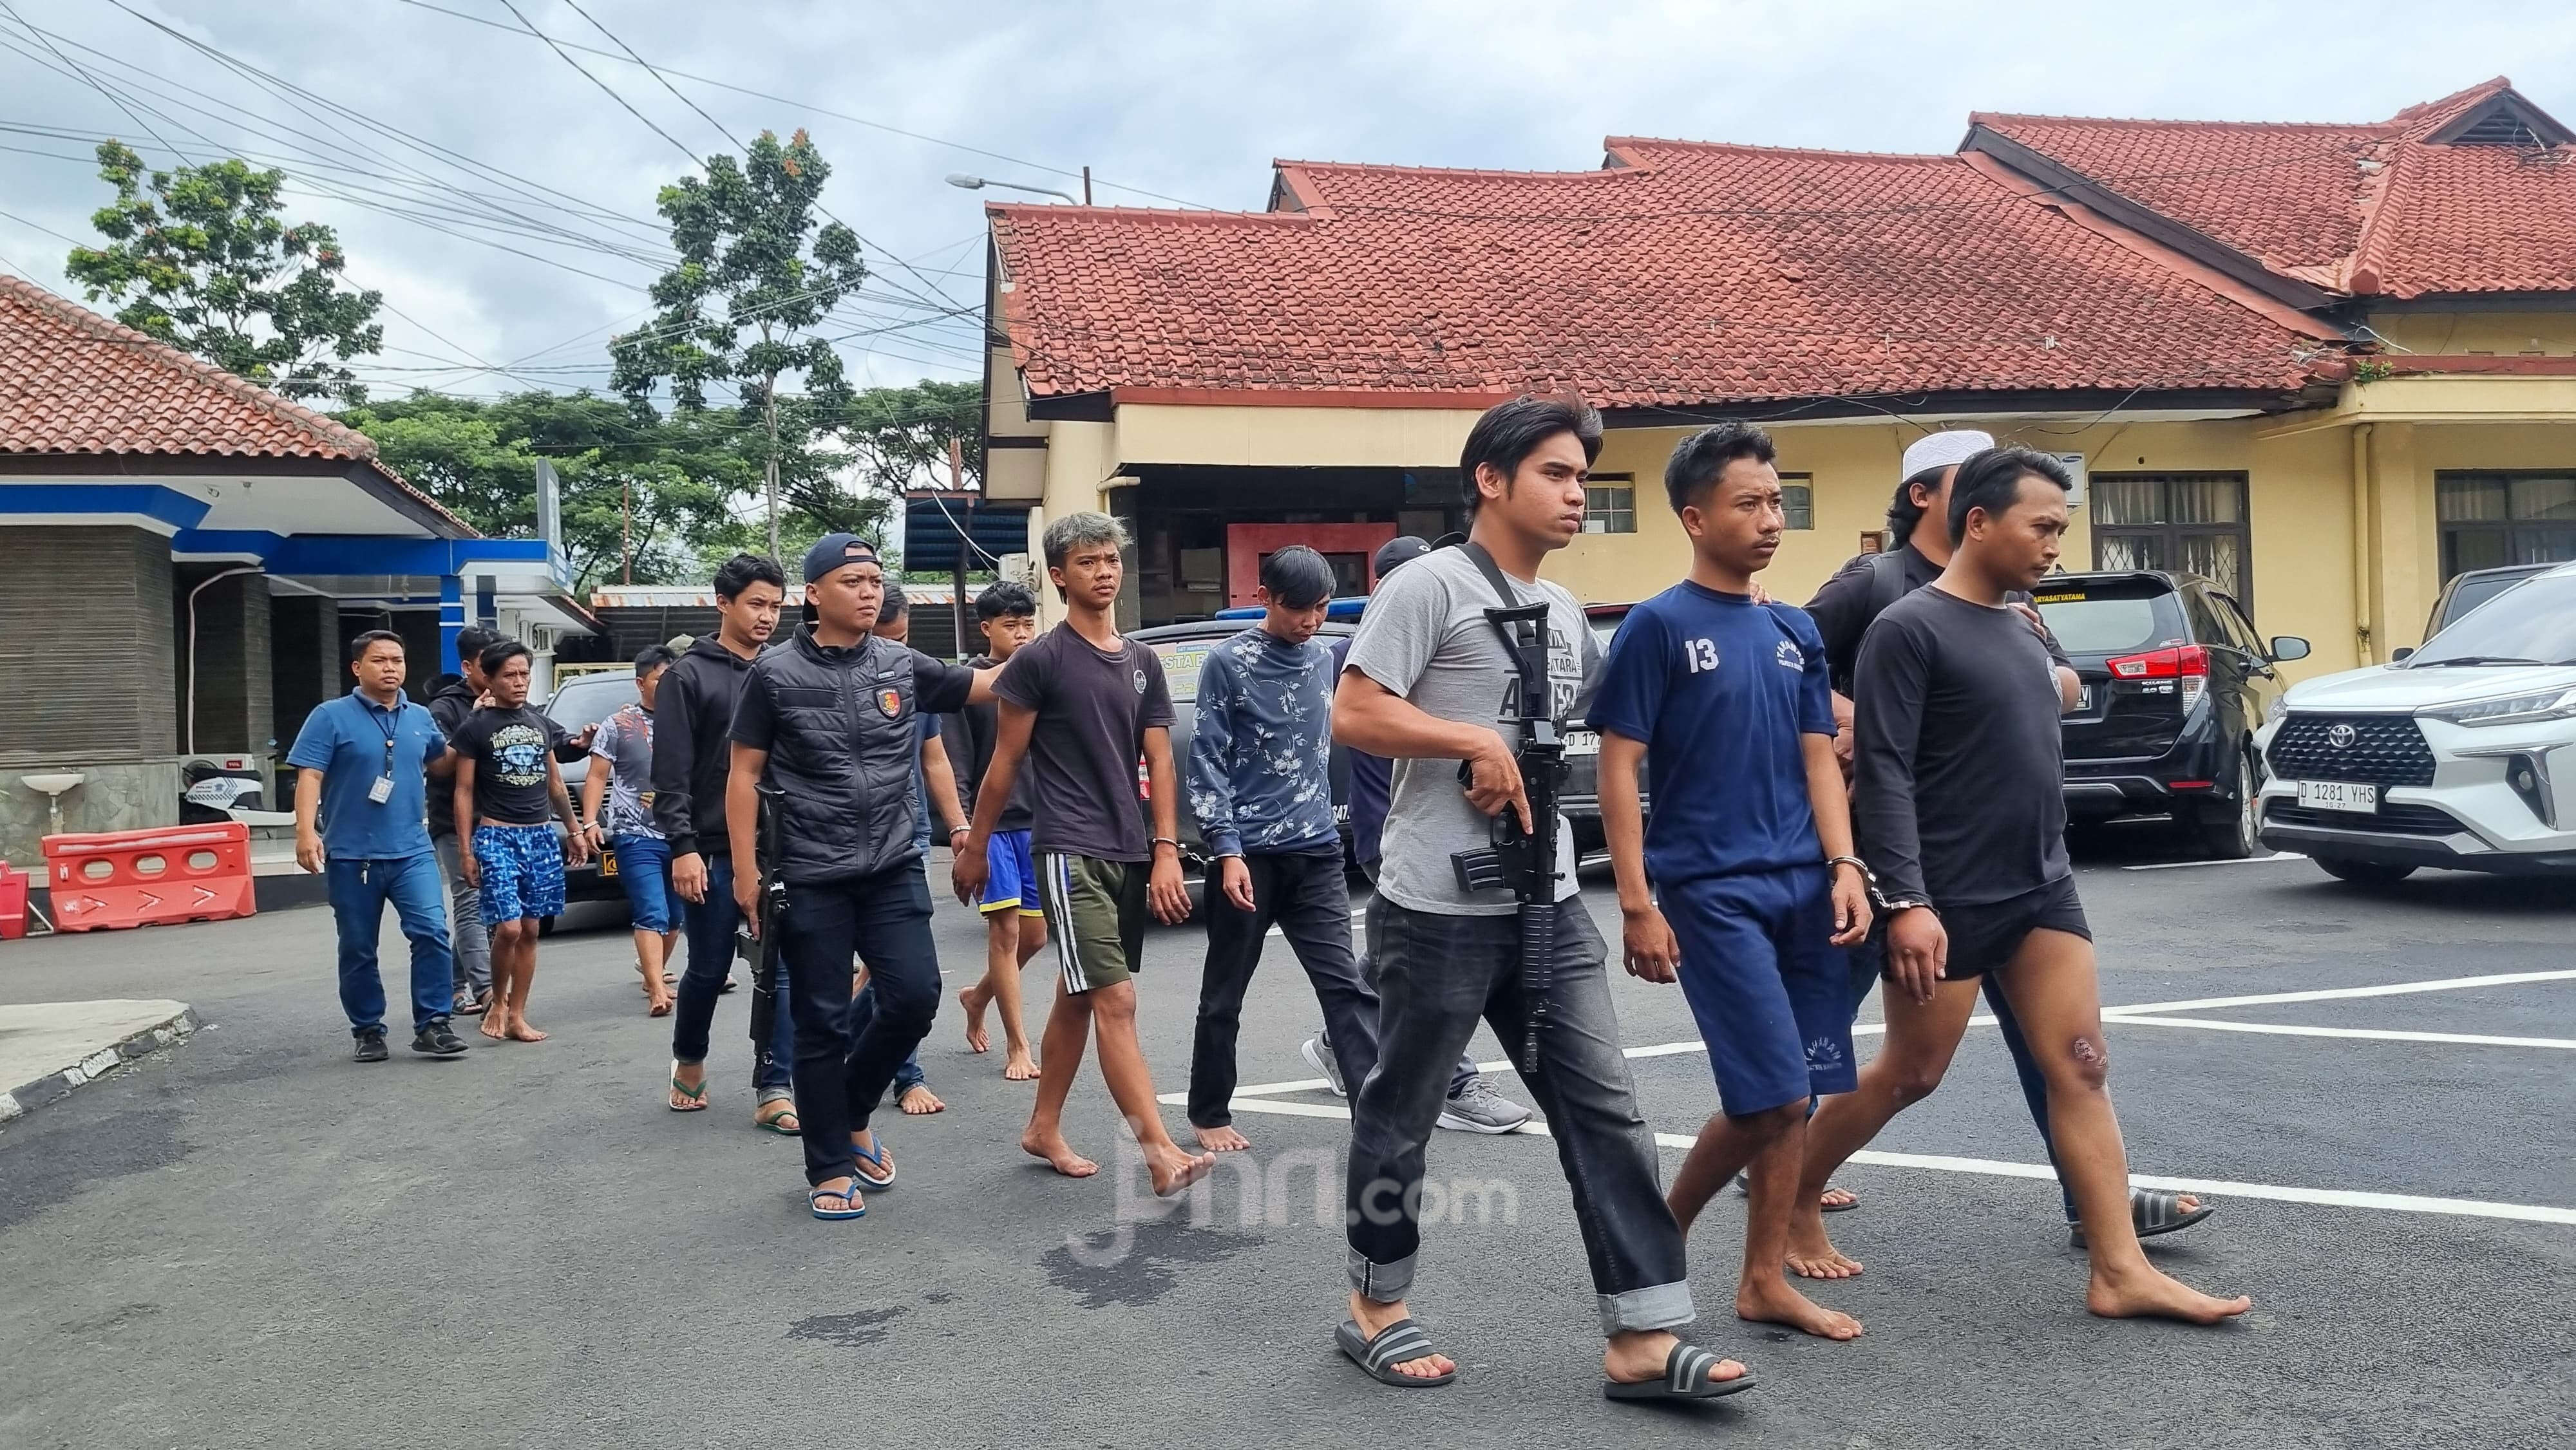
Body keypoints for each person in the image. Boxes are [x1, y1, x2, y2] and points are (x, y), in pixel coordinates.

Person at [1331, 396, 1748, 1399]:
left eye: (1582, 478)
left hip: (1550, 903)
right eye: (1558, 474)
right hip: (1435, 907)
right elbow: (1355, 711)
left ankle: (1644, 1336)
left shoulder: (1564, 611)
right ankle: (1375, 1304)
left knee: (1606, 1110)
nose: (1577, 494)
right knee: (1403, 1111)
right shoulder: (1430, 586)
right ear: (1491, 478)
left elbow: (1605, 727)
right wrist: (1468, 739)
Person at [1799, 446, 2252, 1324]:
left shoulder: (2022, 622)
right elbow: (1884, 774)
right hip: (1950, 891)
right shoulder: (1909, 626)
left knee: (2081, 1065)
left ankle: (2119, 1270)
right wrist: (1909, 902)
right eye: (2042, 526)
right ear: (1979, 521)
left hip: (2042, 883)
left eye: (2061, 528)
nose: (2055, 544)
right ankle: (1792, 1197)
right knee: (1911, 1073)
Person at [1591, 424, 1873, 1345]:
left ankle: (1760, 1280)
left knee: (1796, 1090)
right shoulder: (1657, 626)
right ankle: (1660, 1237)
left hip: (1806, 885)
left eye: (1777, 502)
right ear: (1695, 516)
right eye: (1748, 504)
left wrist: (1844, 865)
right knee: (1770, 1093)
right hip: (1712, 892)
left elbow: (1820, 758)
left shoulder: (1793, 628)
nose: (1769, 520)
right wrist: (1638, 902)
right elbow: (1619, 768)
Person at [729, 534, 1002, 1220]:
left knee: (914, 996)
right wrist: (742, 871)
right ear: (815, 593)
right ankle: (827, 1162)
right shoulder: (773, 674)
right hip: (811, 871)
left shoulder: (902, 663)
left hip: (891, 864)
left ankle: (848, 1111)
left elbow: (987, 683)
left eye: (875, 579)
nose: (869, 590)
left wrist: (1062, 647)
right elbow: (743, 774)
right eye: (853, 579)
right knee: (819, 1020)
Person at [951, 512, 1217, 1200]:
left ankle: (1043, 1126)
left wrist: (1165, 852)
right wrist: (975, 845)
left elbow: (1159, 761)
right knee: (1115, 999)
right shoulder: (1040, 659)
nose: (1104, 570)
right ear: (1058, 574)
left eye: (1111, 559)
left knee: (1079, 993)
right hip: (1067, 847)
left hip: (1128, 849)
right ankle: (1158, 1149)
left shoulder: (1141, 661)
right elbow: (1004, 764)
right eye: (1088, 560)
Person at [1307, 536, 1531, 1135]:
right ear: (1387, 589)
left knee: (1392, 955)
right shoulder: (1360, 652)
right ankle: (1454, 1081)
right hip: (1393, 829)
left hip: (1432, 826)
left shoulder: (1457, 636)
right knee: (1431, 967)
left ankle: (1336, 1038)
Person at [1182, 546, 1383, 1153]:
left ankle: (1372, 1115)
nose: (1312, 621)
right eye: (1300, 609)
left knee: (1346, 986)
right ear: (1265, 598)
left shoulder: (1326, 657)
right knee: (1225, 991)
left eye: (1321, 608)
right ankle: (1209, 1111)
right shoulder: (1227, 662)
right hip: (1248, 856)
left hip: (1318, 850)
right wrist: (1226, 848)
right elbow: (1207, 758)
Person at [655, 554, 801, 1133]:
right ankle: (689, 1057)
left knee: (781, 969)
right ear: (723, 604)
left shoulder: (787, 669)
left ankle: (774, 1086)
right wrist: (683, 846)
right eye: (756, 604)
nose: (767, 617)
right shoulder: (687, 677)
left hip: (781, 847)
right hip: (711, 849)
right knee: (710, 969)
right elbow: (670, 773)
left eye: (775, 605)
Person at [287, 630, 473, 1062]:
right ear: (357, 668)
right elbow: (310, 776)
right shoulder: (330, 716)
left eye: (398, 660)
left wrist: (474, 734)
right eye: (380, 661)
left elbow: (442, 762)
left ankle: (433, 1024)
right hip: (353, 855)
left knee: (431, 932)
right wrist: (305, 831)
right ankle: (368, 1029)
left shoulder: (419, 716)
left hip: (411, 850)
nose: (391, 668)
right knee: (357, 945)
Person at [450, 641, 589, 1043]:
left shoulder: (539, 722)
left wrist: (575, 830)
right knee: (507, 928)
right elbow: (463, 791)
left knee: (531, 928)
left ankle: (518, 1015)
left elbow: (556, 783)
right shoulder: (475, 726)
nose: (519, 682)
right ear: (489, 680)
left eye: (524, 674)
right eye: (509, 675)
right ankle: (498, 1000)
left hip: (542, 836)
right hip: (496, 835)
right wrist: (465, 850)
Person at [858, 578, 960, 1116]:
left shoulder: (912, 674)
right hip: (835, 849)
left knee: (905, 976)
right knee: (866, 973)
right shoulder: (812, 675)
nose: (896, 651)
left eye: (904, 638)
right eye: (886, 639)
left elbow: (934, 757)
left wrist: (960, 827)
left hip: (908, 838)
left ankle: (907, 1075)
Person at [945, 581, 1049, 1081]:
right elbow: (958, 763)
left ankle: (977, 996)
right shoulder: (969, 685)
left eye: (1028, 623)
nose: (1023, 633)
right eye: (1012, 625)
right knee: (1006, 933)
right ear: (986, 628)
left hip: (1041, 822)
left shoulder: (1043, 675)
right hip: (993, 827)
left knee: (1035, 937)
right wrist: (963, 830)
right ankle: (1019, 1045)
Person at [581, 645, 681, 1017]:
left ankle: (650, 971)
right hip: (634, 834)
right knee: (651, 911)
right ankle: (657, 989)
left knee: (675, 918)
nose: (668, 686)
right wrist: (590, 821)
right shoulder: (617, 725)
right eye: (660, 679)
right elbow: (597, 775)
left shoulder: (688, 721)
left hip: (681, 833)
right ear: (641, 683)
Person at [427, 625, 500, 1017]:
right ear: (468, 666)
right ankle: (486, 989)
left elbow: (548, 739)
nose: (499, 672)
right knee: (470, 900)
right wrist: (473, 720)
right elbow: (440, 768)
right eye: (488, 663)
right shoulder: (444, 709)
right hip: (454, 823)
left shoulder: (508, 699)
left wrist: (578, 742)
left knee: (488, 905)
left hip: (497, 820)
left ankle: (453, 986)